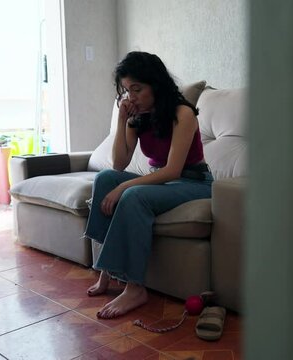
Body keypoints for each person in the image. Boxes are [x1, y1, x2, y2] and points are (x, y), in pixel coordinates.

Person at [83, 51, 212, 319]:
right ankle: (106, 270)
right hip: (165, 184)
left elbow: (173, 170)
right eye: (127, 91)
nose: (131, 97)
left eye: (137, 89)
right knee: (105, 179)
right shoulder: (137, 118)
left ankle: (134, 287)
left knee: (133, 194)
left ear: (156, 84)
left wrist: (124, 188)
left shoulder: (182, 113)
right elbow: (118, 165)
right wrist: (122, 120)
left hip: (194, 182)